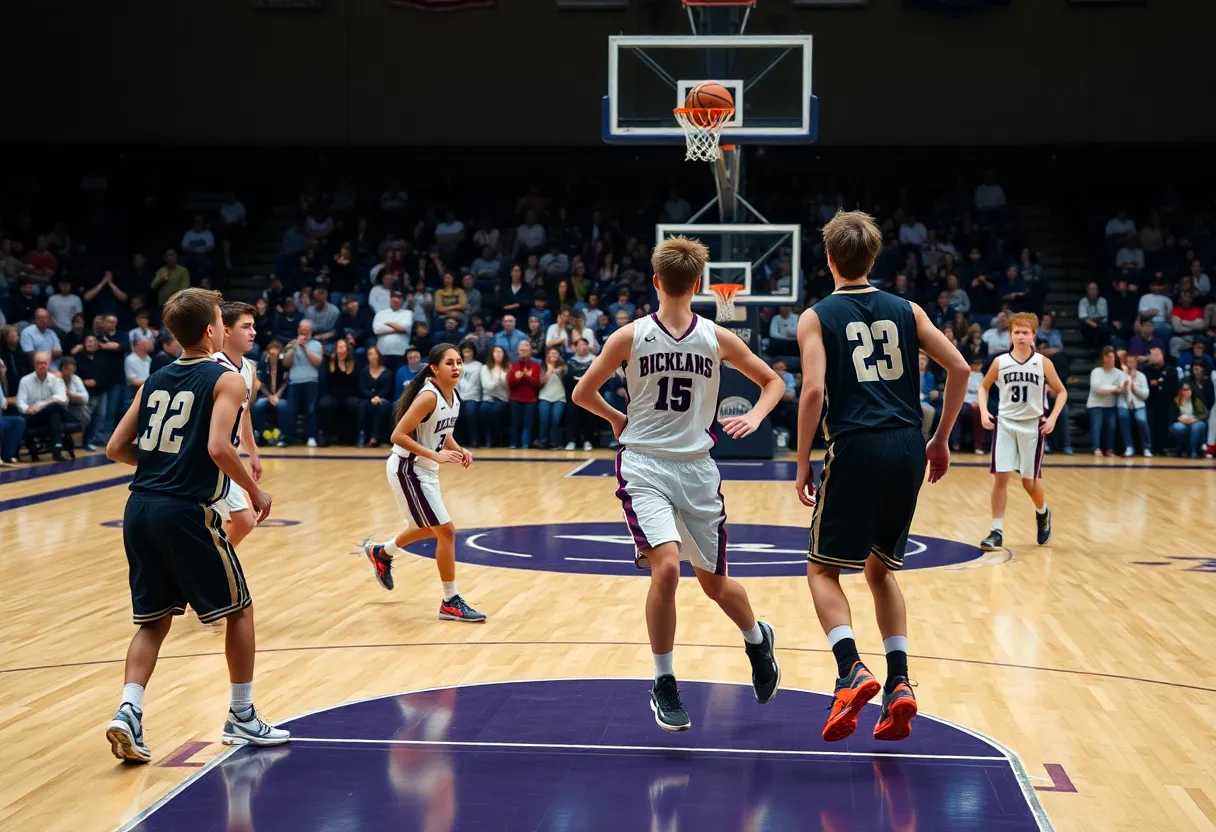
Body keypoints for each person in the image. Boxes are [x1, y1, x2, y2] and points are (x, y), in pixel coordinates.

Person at [571, 236, 785, 732]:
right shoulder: (632, 337)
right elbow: (587, 393)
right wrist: (619, 419)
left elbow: (582, 394)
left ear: (656, 281)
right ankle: (664, 681)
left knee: (713, 584)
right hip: (644, 464)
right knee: (666, 568)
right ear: (699, 284)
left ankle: (757, 639)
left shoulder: (714, 337)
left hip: (697, 469)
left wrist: (755, 412)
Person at [794, 210, 969, 745]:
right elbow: (960, 368)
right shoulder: (908, 309)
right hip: (908, 446)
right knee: (880, 569)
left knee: (823, 571)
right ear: (873, 259)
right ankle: (898, 681)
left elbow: (814, 393)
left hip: (857, 443)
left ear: (829, 260)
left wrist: (802, 461)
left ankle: (851, 669)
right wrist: (939, 440)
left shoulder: (817, 316)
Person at [103, 288, 286, 764]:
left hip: (139, 507)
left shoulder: (155, 377)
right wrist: (255, 489)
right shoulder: (226, 379)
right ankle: (242, 715)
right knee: (240, 609)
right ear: (212, 331)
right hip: (185, 510)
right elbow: (219, 449)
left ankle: (128, 710)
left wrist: (163, 463)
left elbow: (116, 449)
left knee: (153, 620)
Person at [363, 343, 484, 622]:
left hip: (426, 470)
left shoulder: (453, 396)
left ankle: (382, 552)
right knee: (446, 531)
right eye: (449, 363)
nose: (456, 367)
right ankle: (450, 601)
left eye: (458, 362)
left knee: (426, 528)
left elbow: (444, 432)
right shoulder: (428, 396)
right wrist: (435, 455)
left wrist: (460, 449)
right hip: (409, 469)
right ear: (434, 368)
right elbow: (398, 435)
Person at [977, 312, 1068, 551]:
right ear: (1010, 336)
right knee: (1001, 477)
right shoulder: (1000, 362)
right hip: (1006, 424)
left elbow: (1062, 392)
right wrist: (984, 412)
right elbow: (983, 388)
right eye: (1016, 332)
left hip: (1032, 426)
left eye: (1025, 332)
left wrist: (1053, 418)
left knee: (1029, 482)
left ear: (1033, 336)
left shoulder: (1043, 362)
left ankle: (1042, 512)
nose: (1020, 336)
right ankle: (996, 531)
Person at [210, 302, 262, 547]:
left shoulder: (249, 369)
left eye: (253, 327)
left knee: (242, 522)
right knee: (243, 520)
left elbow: (245, 411)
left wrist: (253, 452)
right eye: (247, 327)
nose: (253, 332)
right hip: (211, 455)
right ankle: (215, 568)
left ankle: (213, 568)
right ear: (227, 331)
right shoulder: (213, 367)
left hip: (228, 454)